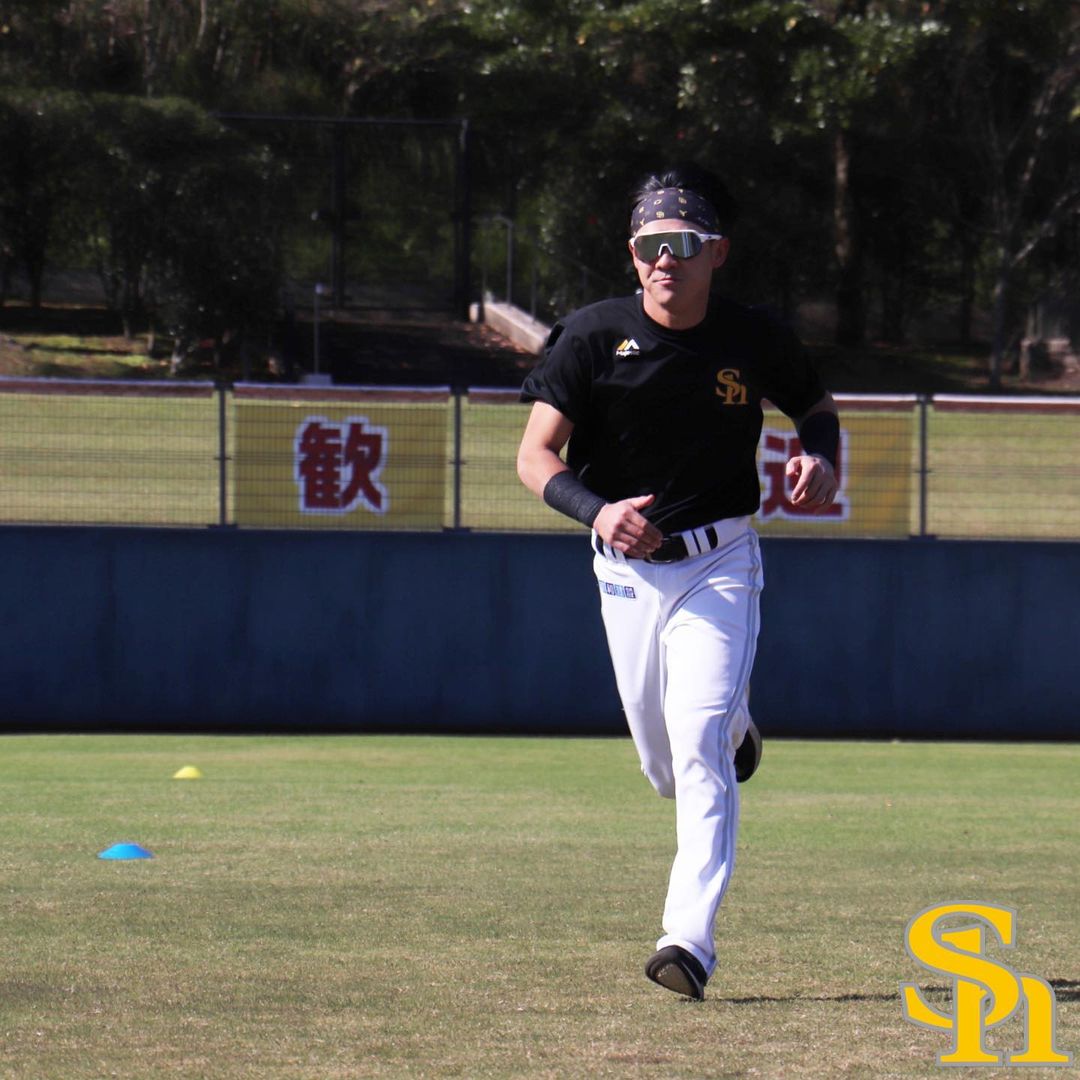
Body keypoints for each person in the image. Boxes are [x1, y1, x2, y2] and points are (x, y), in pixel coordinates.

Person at [516, 164, 840, 1001]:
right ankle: (738, 733)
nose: (666, 259)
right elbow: (534, 456)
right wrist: (595, 511)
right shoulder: (593, 336)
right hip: (625, 571)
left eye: (684, 244)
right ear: (633, 255)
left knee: (696, 747)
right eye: (651, 245)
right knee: (664, 767)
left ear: (716, 253)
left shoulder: (752, 336)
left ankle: (686, 942)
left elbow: (815, 407)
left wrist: (821, 456)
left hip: (719, 562)